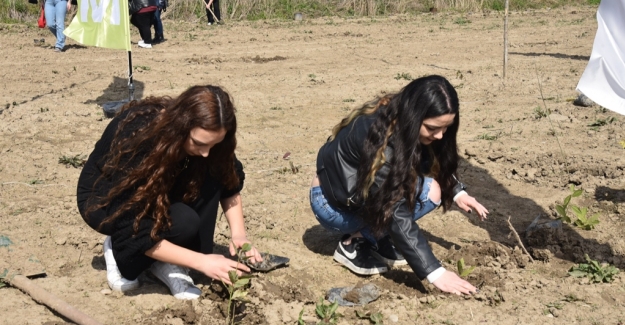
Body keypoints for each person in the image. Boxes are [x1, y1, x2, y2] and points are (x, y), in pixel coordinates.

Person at [77, 85, 262, 300]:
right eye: (199, 143)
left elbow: (229, 180)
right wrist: (202, 262)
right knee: (159, 240)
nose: (205, 152)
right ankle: (118, 250)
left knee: (205, 181)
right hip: (108, 198)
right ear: (181, 126)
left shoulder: (208, 143)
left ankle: (168, 259)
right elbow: (130, 216)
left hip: (162, 188)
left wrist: (239, 235)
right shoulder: (140, 135)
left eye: (214, 144)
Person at [310, 75, 489, 296]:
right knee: (400, 208)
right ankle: (353, 242)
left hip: (362, 197)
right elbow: (393, 208)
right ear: (415, 116)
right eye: (433, 128)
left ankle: (377, 236)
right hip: (334, 206)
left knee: (433, 192)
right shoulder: (378, 139)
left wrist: (456, 191)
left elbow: (430, 161)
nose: (440, 135)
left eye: (445, 127)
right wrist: (435, 272)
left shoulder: (403, 119)